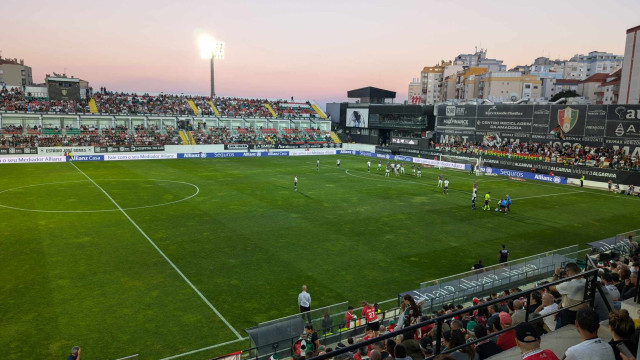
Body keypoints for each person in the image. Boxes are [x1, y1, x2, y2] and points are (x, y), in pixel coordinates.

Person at [549, 263, 586, 328]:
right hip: (582, 311)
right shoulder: (585, 281)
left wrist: (556, 274)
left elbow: (550, 287)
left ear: (568, 272)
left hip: (568, 314)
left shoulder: (568, 285)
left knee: (558, 330)